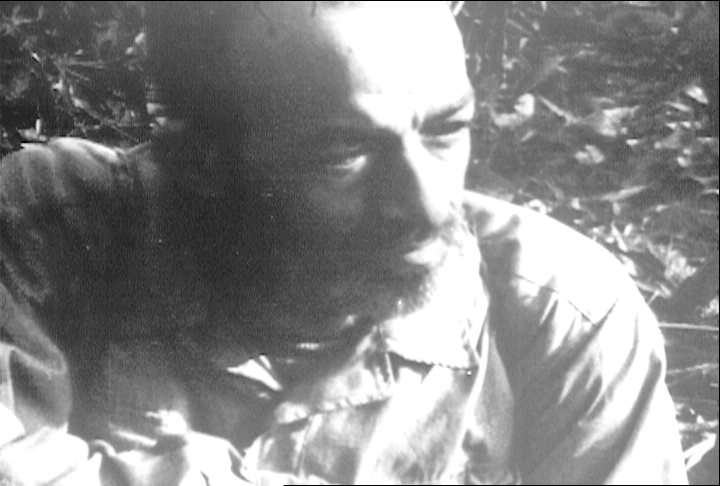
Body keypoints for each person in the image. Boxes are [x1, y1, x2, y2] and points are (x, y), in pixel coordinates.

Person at [0, 2, 688, 484]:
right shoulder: (56, 234)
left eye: (446, 130)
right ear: (202, 160)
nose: (426, 203)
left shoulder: (563, 322)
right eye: (344, 155)